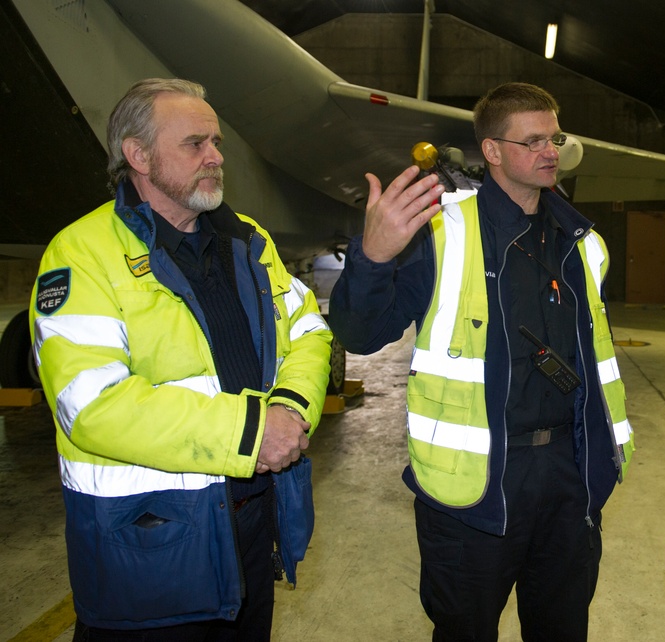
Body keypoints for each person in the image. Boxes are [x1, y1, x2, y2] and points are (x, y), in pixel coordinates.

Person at [329, 82, 634, 640]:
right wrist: (372, 257)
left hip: (571, 473)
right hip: (475, 486)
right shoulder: (442, 231)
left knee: (563, 626)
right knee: (464, 628)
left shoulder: (581, 241)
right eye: (534, 140)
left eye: (556, 138)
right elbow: (360, 333)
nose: (551, 152)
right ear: (491, 151)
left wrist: (602, 462)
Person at [29, 78, 332, 640]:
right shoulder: (82, 253)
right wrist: (251, 433)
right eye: (195, 144)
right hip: (150, 547)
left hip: (250, 524)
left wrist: (290, 407)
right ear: (138, 155)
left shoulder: (248, 241)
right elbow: (91, 405)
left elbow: (309, 331)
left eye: (216, 142)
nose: (216, 157)